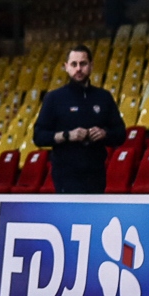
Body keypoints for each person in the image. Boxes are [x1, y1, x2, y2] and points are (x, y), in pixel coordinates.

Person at [32, 45, 128, 194]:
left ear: (91, 66)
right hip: (65, 175)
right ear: (66, 67)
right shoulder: (54, 98)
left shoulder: (104, 97)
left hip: (96, 173)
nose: (78, 69)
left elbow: (120, 133)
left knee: (93, 217)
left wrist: (105, 134)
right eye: (74, 64)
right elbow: (38, 136)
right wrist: (67, 135)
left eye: (83, 64)